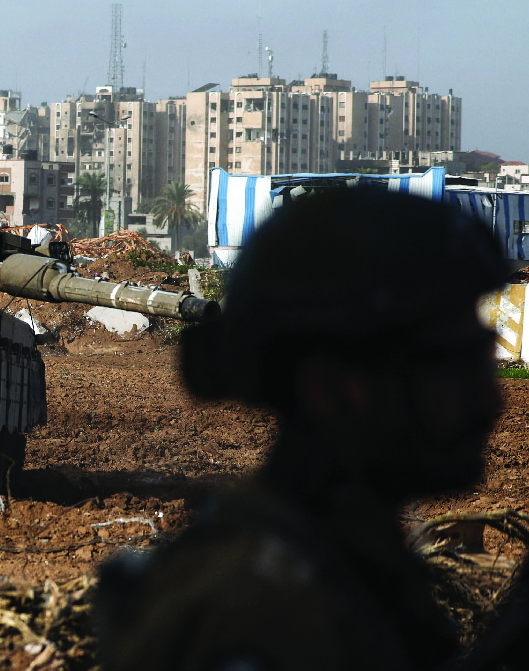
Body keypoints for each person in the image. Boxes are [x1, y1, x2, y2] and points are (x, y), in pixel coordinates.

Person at [95, 186, 510, 671]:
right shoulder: (264, 615)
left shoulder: (343, 566)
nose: (491, 400)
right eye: (457, 366)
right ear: (331, 390)